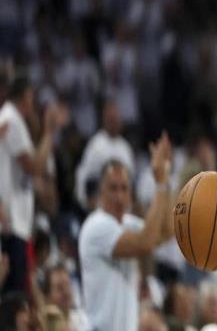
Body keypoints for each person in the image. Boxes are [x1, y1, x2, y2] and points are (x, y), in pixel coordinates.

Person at [78, 132, 173, 331]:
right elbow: (146, 243)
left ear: (131, 194)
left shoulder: (128, 224)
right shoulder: (96, 225)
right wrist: (159, 185)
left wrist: (165, 177)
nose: (119, 196)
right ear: (101, 191)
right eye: (113, 188)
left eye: (124, 188)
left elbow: (165, 231)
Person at [0, 73, 65, 294]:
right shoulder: (11, 118)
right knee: (14, 298)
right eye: (31, 96)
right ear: (26, 96)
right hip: (10, 223)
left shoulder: (13, 120)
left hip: (17, 223)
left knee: (16, 296)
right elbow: (34, 167)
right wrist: (49, 133)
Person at [75, 99, 135, 212]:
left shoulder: (126, 147)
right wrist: (88, 203)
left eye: (115, 118)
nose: (114, 122)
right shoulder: (96, 145)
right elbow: (85, 179)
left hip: (123, 209)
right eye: (110, 118)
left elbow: (130, 182)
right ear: (104, 120)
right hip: (101, 208)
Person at [42, 263, 90, 331]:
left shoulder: (83, 318)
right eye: (59, 288)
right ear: (48, 297)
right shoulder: (42, 326)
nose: (66, 292)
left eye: (67, 285)